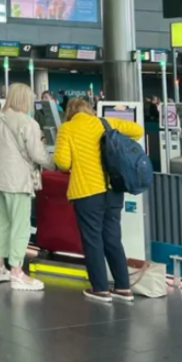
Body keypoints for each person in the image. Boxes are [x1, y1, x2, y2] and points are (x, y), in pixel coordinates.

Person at [53, 98, 144, 302]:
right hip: (112, 190)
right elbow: (137, 130)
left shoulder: (67, 129)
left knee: (93, 240)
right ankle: (123, 287)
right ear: (89, 110)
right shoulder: (105, 122)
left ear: (69, 112)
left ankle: (100, 289)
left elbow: (62, 162)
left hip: (86, 192)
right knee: (112, 238)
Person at [0, 84, 54, 291]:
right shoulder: (27, 122)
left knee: (2, 223)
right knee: (20, 225)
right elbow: (38, 155)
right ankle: (16, 272)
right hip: (15, 180)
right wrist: (54, 163)